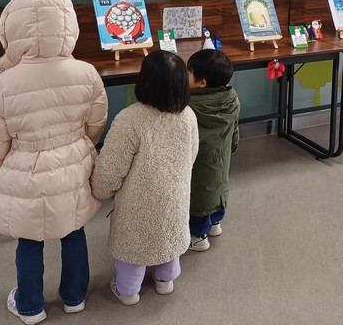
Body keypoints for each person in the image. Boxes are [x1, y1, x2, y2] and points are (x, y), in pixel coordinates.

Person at [0, 0, 107, 325]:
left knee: (30, 239)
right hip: (72, 166)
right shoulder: (87, 73)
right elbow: (96, 124)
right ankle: (74, 298)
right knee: (73, 230)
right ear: (67, 25)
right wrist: (79, 147)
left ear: (14, 29)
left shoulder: (4, 85)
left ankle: (31, 306)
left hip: (25, 171)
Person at [91, 50, 199, 306]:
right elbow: (192, 155)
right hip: (175, 197)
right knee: (168, 235)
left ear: (145, 81)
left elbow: (111, 166)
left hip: (138, 202)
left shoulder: (130, 119)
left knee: (134, 245)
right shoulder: (188, 116)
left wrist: (100, 189)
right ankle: (165, 280)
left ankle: (128, 290)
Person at [186, 49, 241, 252]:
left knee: (198, 196)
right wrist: (232, 144)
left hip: (198, 160)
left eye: (188, 71)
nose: (184, 74)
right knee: (218, 187)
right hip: (222, 154)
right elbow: (235, 127)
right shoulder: (231, 98)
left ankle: (198, 236)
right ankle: (215, 223)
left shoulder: (189, 105)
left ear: (202, 83)